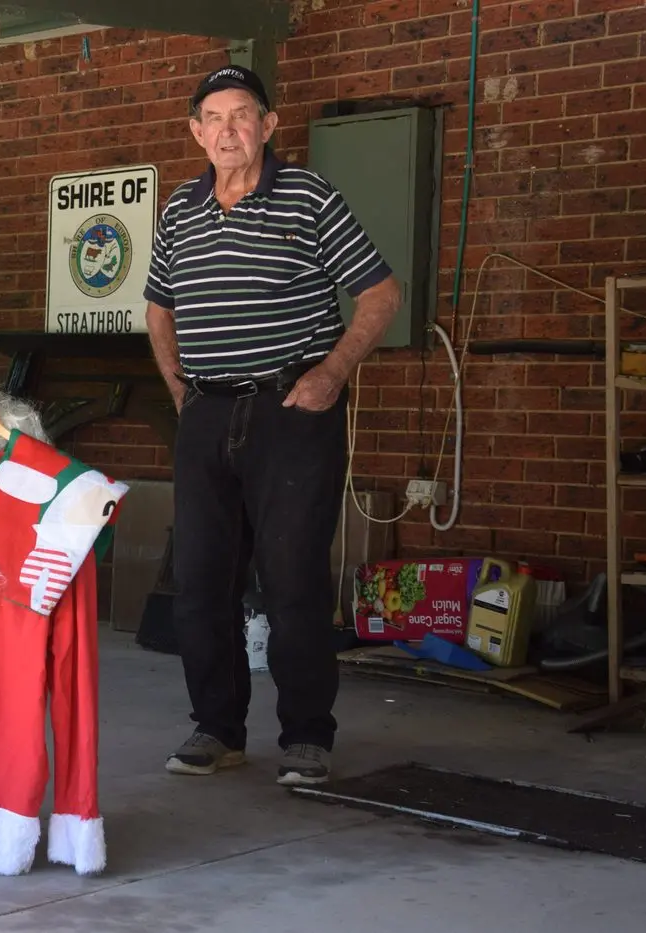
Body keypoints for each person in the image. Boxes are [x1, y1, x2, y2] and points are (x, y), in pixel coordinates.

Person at [143, 65, 401, 786]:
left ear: (268, 124)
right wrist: (179, 391)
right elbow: (158, 308)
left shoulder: (308, 196)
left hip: (292, 411)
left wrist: (333, 372)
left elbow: (380, 291)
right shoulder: (178, 212)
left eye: (241, 115)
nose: (227, 130)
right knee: (199, 580)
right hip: (207, 410)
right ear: (195, 132)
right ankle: (216, 728)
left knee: (291, 580)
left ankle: (306, 736)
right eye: (213, 119)